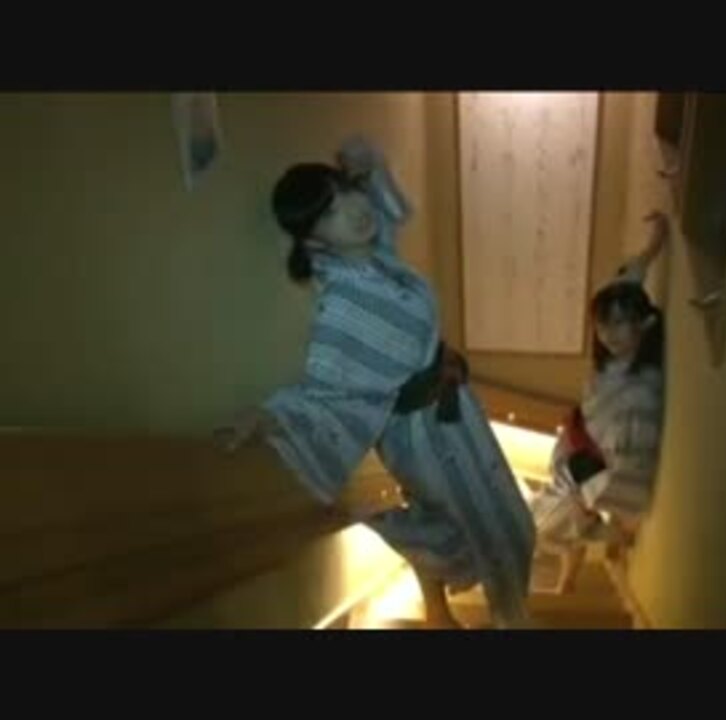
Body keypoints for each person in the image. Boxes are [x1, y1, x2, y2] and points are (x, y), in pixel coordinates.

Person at [216, 137, 535, 629]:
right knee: (503, 527)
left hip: (452, 413)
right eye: (329, 213)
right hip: (425, 433)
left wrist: (368, 167)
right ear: (314, 242)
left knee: (481, 518)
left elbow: (384, 216)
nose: (353, 210)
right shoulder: (342, 305)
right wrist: (268, 418)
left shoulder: (371, 259)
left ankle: (450, 608)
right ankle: (510, 619)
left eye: (345, 193)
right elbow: (328, 393)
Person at [529, 211, 669, 592]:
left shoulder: (641, 390)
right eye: (603, 325)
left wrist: (597, 503)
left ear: (644, 323)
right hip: (578, 445)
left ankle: (589, 549)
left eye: (620, 323)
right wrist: (655, 243)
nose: (609, 334)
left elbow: (629, 464)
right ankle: (580, 554)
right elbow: (629, 279)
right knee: (552, 518)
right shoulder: (615, 357)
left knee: (548, 523)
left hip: (590, 467)